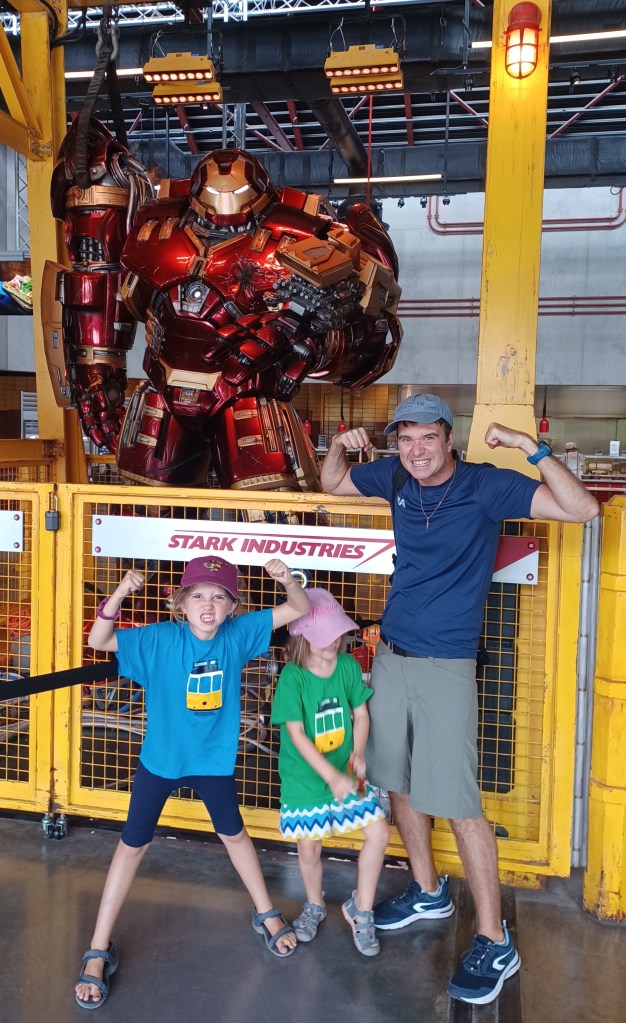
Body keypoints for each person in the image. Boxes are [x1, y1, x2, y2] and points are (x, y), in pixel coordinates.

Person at [320, 392, 599, 1004]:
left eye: (428, 437)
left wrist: (530, 448)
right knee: (396, 781)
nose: (417, 450)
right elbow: (333, 483)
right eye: (406, 439)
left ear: (450, 439)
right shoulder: (395, 476)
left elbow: (583, 510)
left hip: (446, 665)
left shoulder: (485, 485)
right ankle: (428, 891)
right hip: (391, 655)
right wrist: (339, 446)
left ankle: (495, 940)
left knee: (457, 802)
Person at [75, 555, 310, 1009]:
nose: (208, 604)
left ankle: (265, 912)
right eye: (198, 595)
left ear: (232, 607)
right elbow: (99, 640)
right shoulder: (161, 638)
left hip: (213, 762)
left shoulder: (238, 635)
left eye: (219, 597)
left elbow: (298, 608)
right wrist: (121, 591)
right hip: (161, 761)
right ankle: (98, 947)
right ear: (181, 604)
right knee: (132, 846)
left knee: (235, 835)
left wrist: (286, 581)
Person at [270, 588, 389, 956]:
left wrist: (357, 754)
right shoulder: (293, 678)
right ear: (301, 637)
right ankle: (314, 904)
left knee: (379, 832)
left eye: (337, 634)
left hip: (345, 770)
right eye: (325, 637)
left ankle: (361, 909)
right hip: (305, 779)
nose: (334, 642)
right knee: (309, 849)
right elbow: (296, 734)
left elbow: (361, 714)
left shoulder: (348, 666)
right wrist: (331, 777)